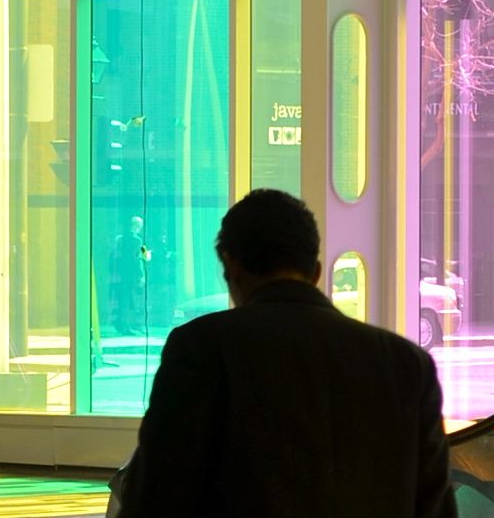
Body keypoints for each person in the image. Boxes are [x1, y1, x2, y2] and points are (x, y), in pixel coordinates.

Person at [114, 189, 457, 517]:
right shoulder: (406, 364)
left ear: (231, 267)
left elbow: (158, 495)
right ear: (317, 271)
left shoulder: (201, 348)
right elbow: (433, 505)